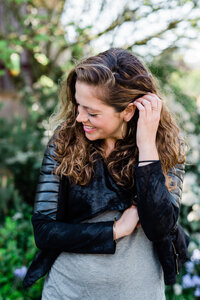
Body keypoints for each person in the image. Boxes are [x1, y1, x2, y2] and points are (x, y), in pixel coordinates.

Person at [23, 48, 186, 299]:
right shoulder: (64, 141)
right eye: (79, 106)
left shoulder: (165, 147)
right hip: (67, 292)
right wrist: (115, 230)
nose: (79, 118)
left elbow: (159, 228)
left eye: (92, 112)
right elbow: (44, 232)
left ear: (128, 111)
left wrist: (146, 147)